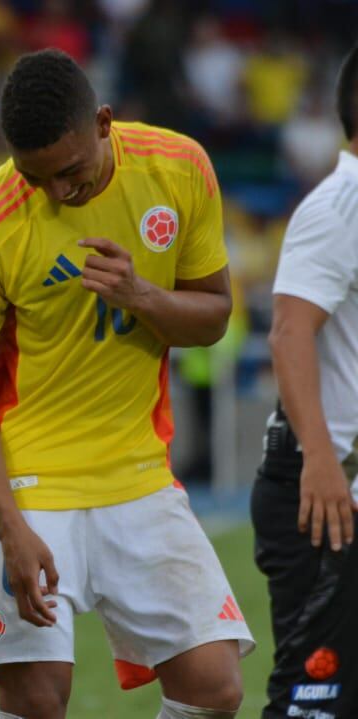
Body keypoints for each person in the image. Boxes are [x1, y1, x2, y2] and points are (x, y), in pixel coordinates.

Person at [0, 49, 254, 719]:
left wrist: (142, 294)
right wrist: (7, 523)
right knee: (39, 700)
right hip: (30, 482)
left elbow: (213, 318)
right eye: (35, 176)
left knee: (216, 688)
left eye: (70, 171)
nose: (56, 192)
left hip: (137, 473)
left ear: (103, 122)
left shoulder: (180, 168)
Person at [252, 43, 358, 719]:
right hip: (324, 488)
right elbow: (289, 332)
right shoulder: (340, 206)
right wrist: (320, 458)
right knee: (313, 702)